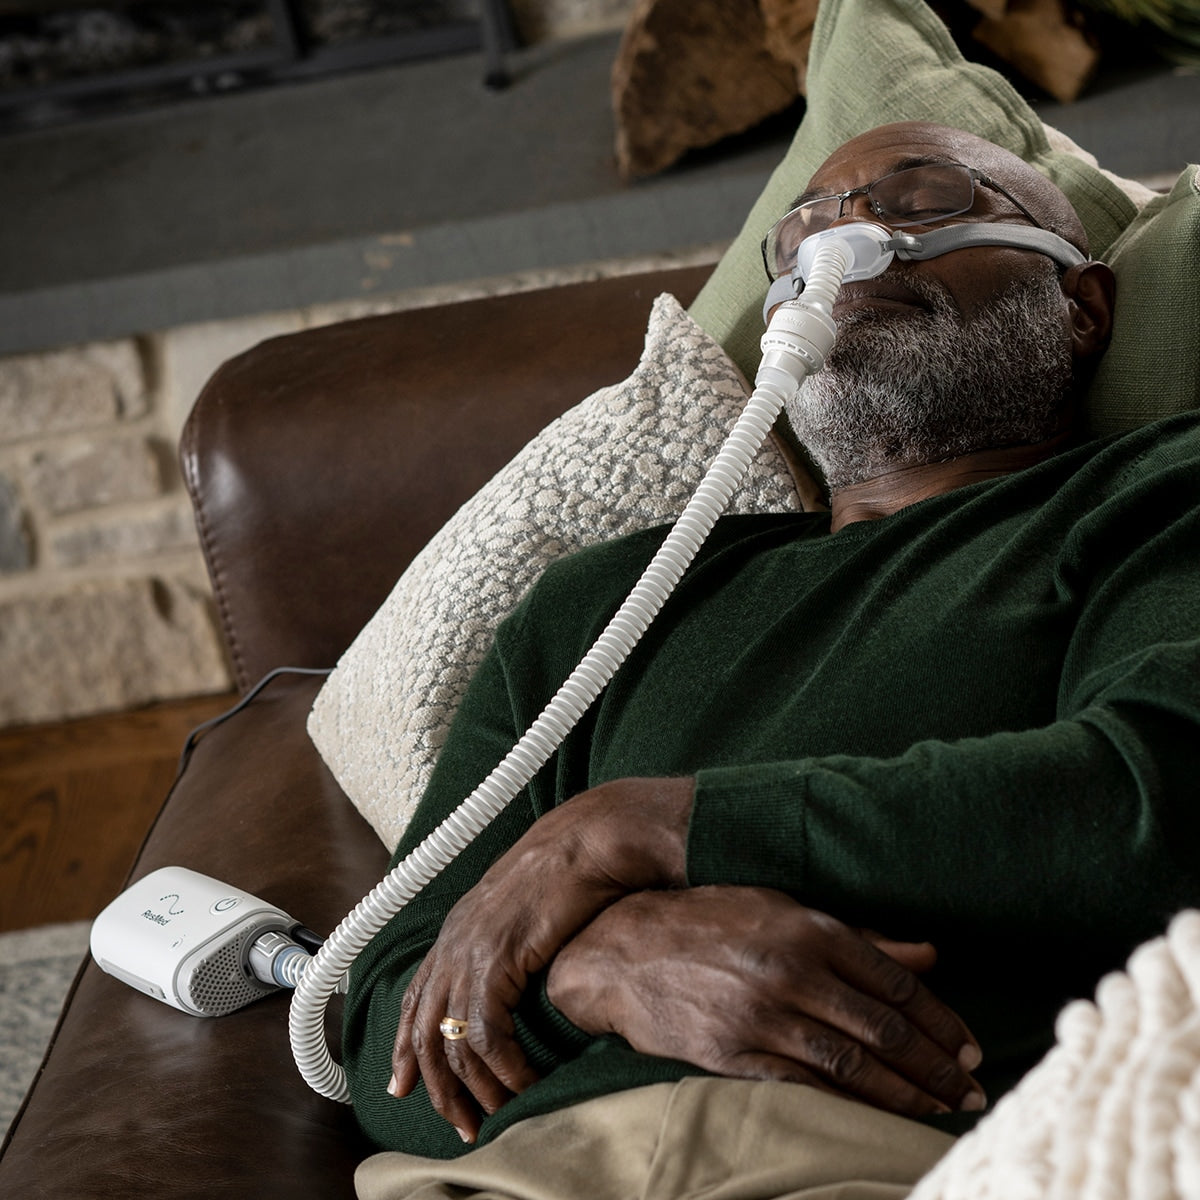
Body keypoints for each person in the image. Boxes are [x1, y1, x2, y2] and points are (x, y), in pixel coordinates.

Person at [342, 121, 1200, 1199]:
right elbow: (379, 1027)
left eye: (922, 200)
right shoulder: (604, 607)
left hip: (919, 1165)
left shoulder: (1159, 492)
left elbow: (1157, 801)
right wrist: (588, 978)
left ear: (1079, 310)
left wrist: (641, 831)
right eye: (802, 228)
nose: (843, 240)